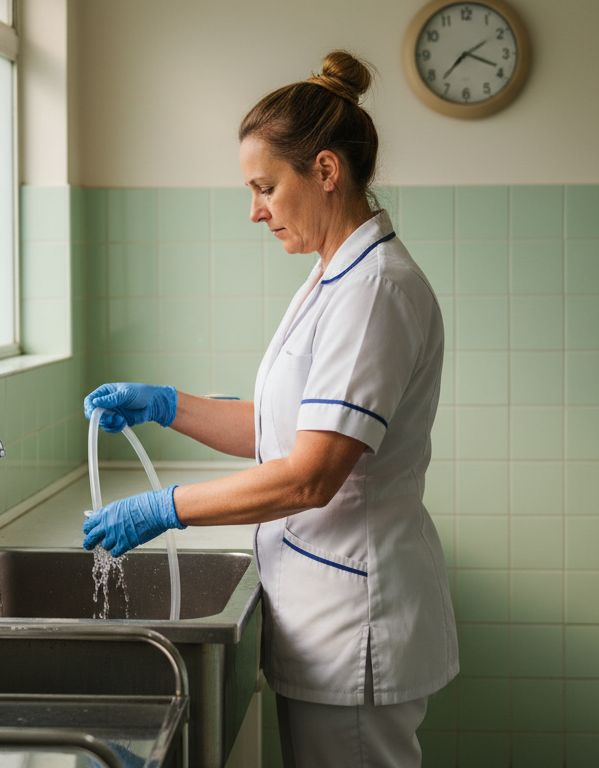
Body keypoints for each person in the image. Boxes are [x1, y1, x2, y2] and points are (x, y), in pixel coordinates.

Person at [81, 50, 458, 768]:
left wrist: (167, 506)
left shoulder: (373, 291)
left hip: (353, 618)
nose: (254, 210)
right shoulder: (331, 275)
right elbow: (275, 428)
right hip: (323, 606)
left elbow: (311, 475)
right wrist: (165, 405)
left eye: (265, 187)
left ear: (324, 171)